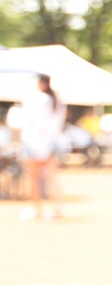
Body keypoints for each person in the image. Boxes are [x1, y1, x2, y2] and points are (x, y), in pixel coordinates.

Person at [17, 73, 65, 221]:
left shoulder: (38, 99)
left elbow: (27, 120)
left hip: (34, 141)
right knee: (51, 178)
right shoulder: (57, 100)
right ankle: (56, 208)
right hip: (51, 142)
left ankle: (37, 209)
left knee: (33, 178)